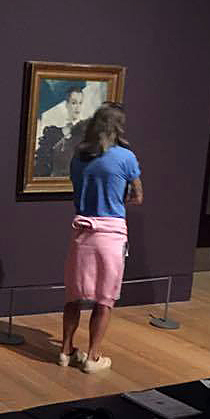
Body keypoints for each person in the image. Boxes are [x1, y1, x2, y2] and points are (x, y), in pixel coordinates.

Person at [60, 103, 143, 373]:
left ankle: (65, 351)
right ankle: (93, 357)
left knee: (74, 296)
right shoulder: (126, 157)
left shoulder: (79, 157)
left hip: (82, 232)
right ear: (119, 126)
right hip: (111, 234)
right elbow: (138, 196)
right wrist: (117, 199)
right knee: (104, 299)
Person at [35, 87, 87, 177]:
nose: (78, 107)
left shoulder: (87, 132)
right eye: (74, 103)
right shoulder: (53, 133)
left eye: (80, 103)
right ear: (67, 104)